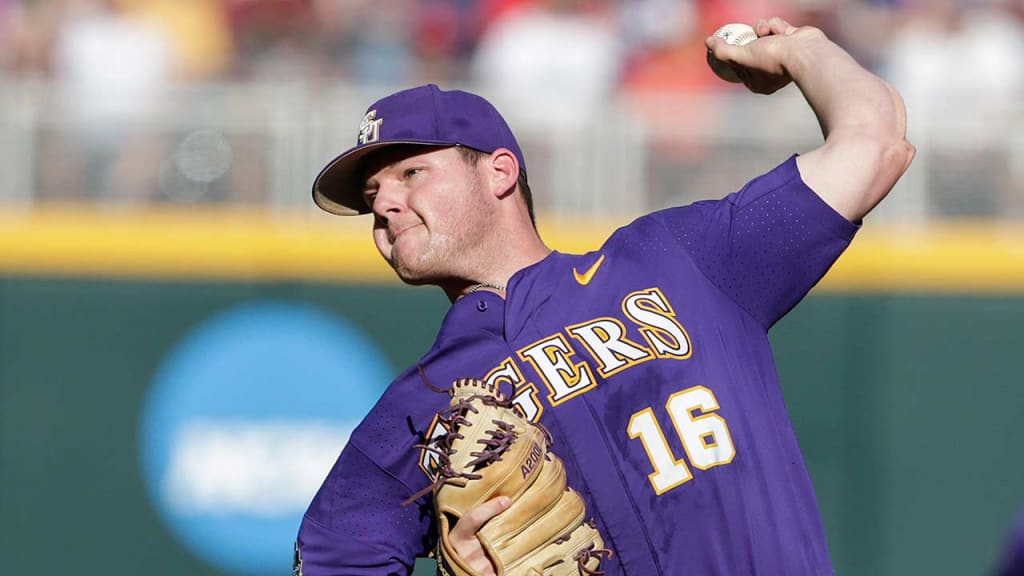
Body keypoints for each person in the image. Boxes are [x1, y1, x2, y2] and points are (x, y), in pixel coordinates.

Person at [296, 16, 914, 575]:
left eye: (410, 173)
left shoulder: (678, 258)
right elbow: (331, 558)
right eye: (372, 195)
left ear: (500, 172)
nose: (385, 204)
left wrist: (804, 52)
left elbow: (875, 141)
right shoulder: (417, 408)